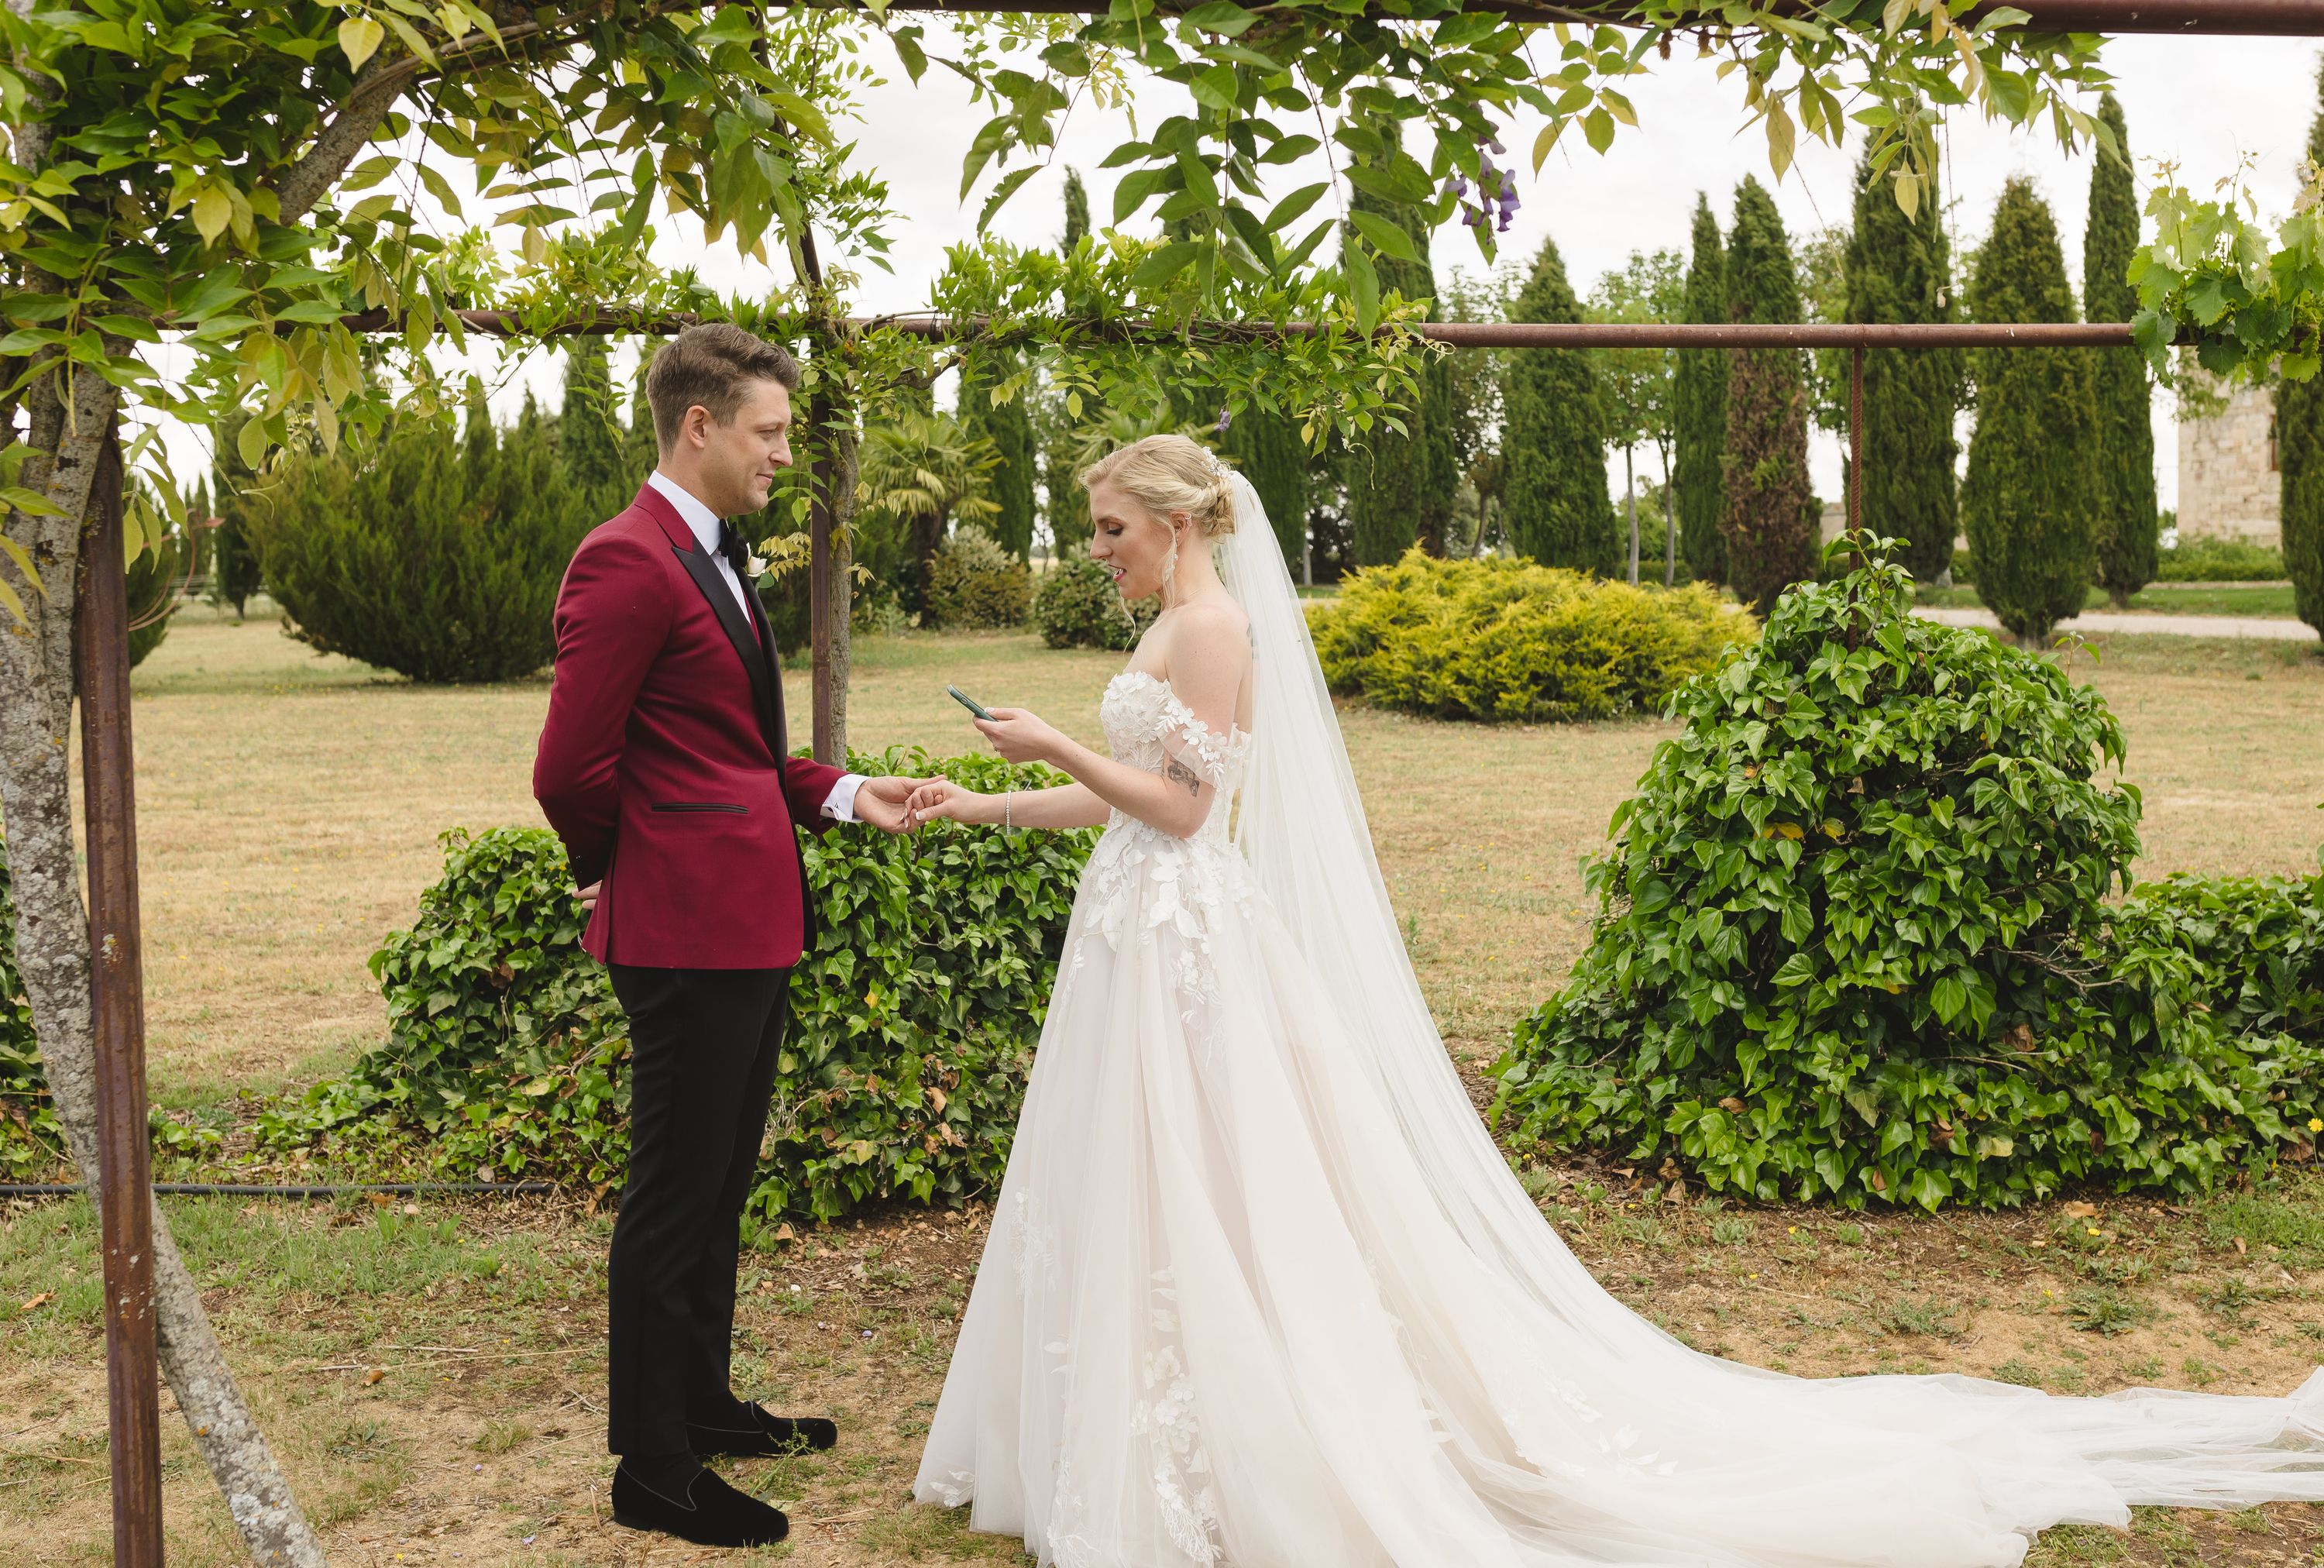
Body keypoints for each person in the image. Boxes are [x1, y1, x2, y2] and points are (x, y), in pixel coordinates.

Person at [906, 432, 2324, 1567]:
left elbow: (1183, 812)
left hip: (1186, 939)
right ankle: (1147, 1425)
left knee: (1225, 1187)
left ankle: (1250, 1426)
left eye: (1112, 530)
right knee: (1142, 1180)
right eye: (1098, 531)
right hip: (1140, 941)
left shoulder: (1210, 631)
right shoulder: (1171, 630)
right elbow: (1121, 816)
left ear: (1180, 525)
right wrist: (983, 790)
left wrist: (1058, 744)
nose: (1100, 553)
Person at [531, 323, 925, 1549]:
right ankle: (653, 1468)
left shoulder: (711, 551)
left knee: (716, 1187)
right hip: (685, 934)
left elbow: (734, 752)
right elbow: (569, 771)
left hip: (747, 927)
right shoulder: (626, 560)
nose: (780, 456)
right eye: (767, 433)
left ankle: (702, 1403)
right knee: (671, 1198)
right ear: (697, 426)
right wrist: (625, 874)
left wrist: (849, 794)